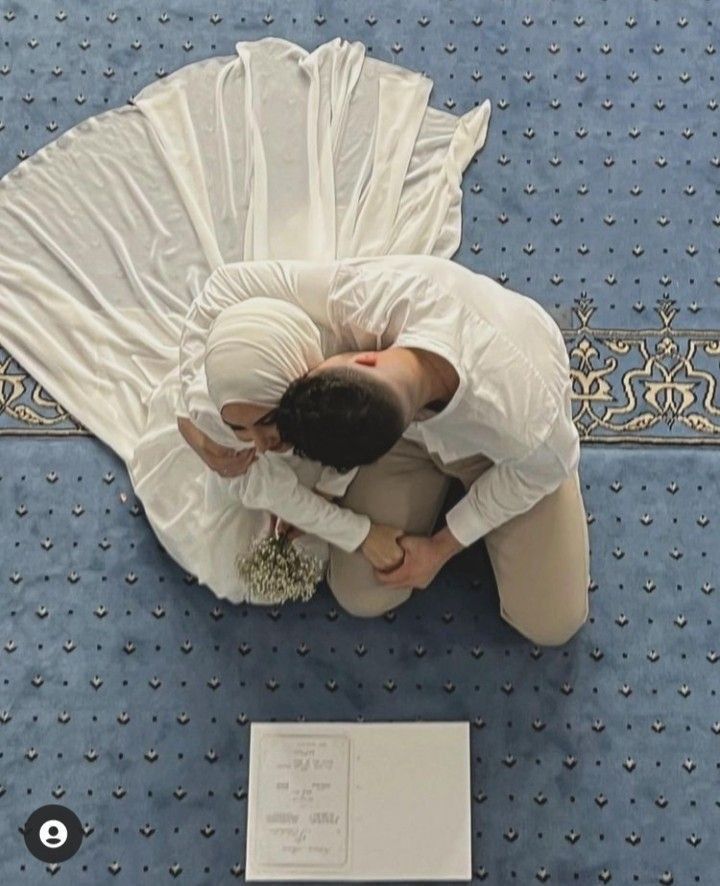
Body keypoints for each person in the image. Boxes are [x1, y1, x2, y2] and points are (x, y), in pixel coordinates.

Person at [179, 254, 590, 645]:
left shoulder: (530, 420)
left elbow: (539, 469)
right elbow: (222, 286)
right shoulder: (355, 294)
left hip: (503, 457)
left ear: (367, 359)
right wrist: (191, 412)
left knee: (552, 623)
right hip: (407, 441)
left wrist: (441, 548)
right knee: (363, 594)